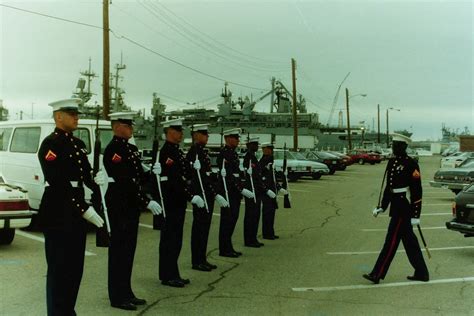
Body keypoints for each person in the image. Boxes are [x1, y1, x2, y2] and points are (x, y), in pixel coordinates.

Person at [38, 98, 104, 315]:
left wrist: (99, 182)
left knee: (75, 269)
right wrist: (83, 208)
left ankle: (68, 311)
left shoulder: (77, 145)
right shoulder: (50, 145)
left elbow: (86, 175)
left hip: (74, 215)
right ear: (58, 116)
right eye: (71, 113)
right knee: (59, 270)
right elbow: (58, 184)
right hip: (58, 213)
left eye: (77, 113)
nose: (77, 117)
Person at [97, 112, 162, 311]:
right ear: (117, 126)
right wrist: (145, 200)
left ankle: (126, 291)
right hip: (120, 207)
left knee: (128, 252)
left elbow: (138, 178)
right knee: (118, 253)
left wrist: (152, 172)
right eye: (127, 124)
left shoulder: (131, 149)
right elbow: (125, 181)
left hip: (130, 208)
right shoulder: (114, 150)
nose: (131, 128)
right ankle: (117, 296)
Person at [363, 134, 429, 284]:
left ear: (404, 147)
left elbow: (417, 190)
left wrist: (416, 214)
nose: (393, 147)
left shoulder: (411, 163)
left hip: (403, 208)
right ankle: (422, 272)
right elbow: (389, 187)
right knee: (410, 242)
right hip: (395, 206)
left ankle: (377, 274)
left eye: (396, 145)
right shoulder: (392, 162)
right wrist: (382, 206)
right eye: (393, 145)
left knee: (391, 241)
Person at [157, 118, 205, 287]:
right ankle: (167, 274)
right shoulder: (167, 153)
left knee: (176, 239)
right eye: (177, 131)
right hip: (171, 202)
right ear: (169, 132)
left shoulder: (176, 152)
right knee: (170, 240)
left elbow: (184, 176)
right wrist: (190, 196)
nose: (181, 134)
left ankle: (173, 272)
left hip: (178, 203)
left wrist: (193, 169)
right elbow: (173, 180)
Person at [186, 124, 229, 271]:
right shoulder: (194, 153)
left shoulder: (202, 152)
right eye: (204, 134)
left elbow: (207, 176)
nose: (207, 136)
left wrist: (215, 193)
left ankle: (202, 258)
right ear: (196, 135)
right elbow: (195, 178)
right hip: (200, 196)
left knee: (204, 229)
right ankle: (196, 261)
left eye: (207, 134)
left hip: (207, 196)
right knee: (199, 229)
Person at [216, 128, 255, 257]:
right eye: (236, 138)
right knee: (227, 222)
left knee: (232, 221)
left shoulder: (233, 153)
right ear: (228, 138)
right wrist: (240, 189)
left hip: (234, 194)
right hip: (229, 193)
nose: (238, 140)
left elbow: (237, 174)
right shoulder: (224, 153)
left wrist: (241, 187)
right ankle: (224, 249)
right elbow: (228, 176)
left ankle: (228, 247)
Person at [242, 137, 269, 247]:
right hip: (251, 190)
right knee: (251, 216)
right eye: (254, 144)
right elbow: (251, 176)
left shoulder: (253, 157)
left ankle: (253, 238)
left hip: (256, 191)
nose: (257, 146)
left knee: (255, 216)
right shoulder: (248, 157)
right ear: (249, 145)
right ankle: (249, 240)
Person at [259, 142, 287, 240]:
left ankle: (270, 232)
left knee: (271, 212)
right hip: (267, 191)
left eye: (271, 149)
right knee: (267, 212)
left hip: (272, 190)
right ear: (264, 149)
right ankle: (266, 233)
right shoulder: (263, 161)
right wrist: (266, 190)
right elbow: (262, 177)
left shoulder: (271, 159)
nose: (270, 150)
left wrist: (279, 187)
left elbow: (273, 177)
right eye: (268, 148)